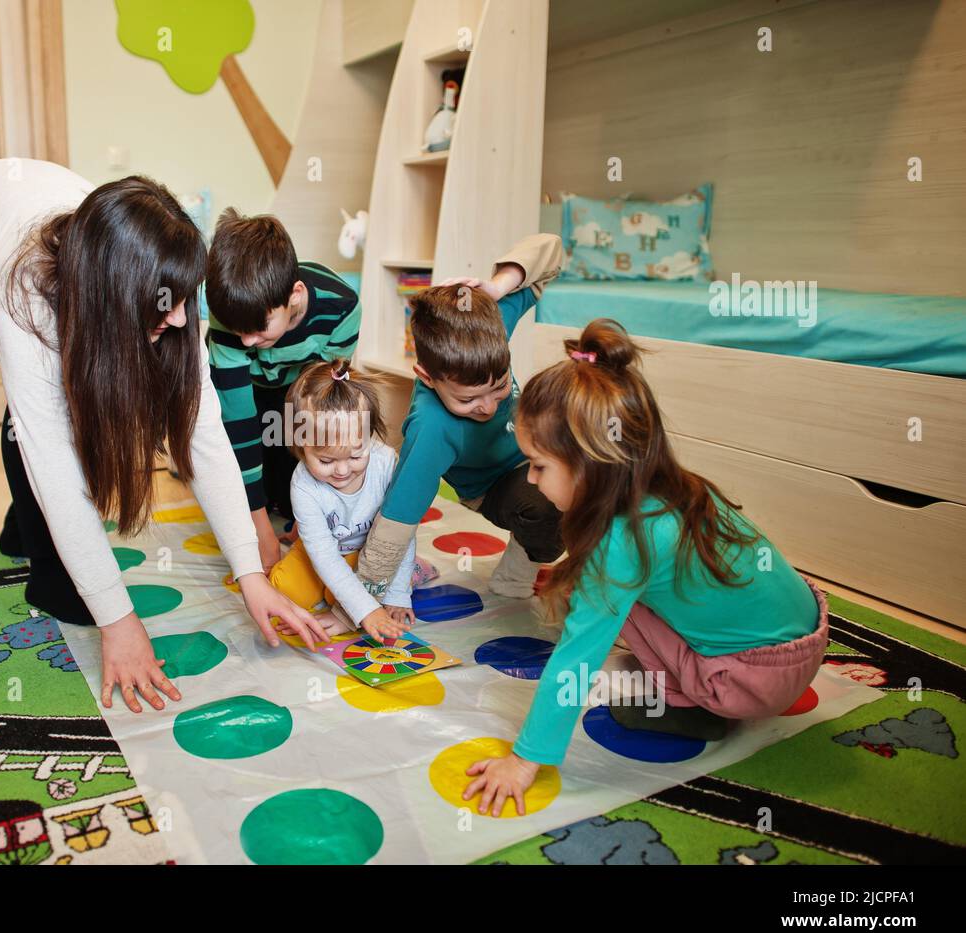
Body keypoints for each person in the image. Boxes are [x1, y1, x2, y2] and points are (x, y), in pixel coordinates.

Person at [0, 158, 325, 714]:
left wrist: (248, 572)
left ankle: (19, 528)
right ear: (112, 292)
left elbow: (205, 433)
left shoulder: (166, 293)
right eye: (161, 306)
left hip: (42, 225)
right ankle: (45, 563)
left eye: (183, 300)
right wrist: (118, 623)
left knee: (52, 395)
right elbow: (51, 456)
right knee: (40, 409)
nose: (176, 320)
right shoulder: (21, 289)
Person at [464, 318, 828, 816]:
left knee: (601, 619)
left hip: (756, 681)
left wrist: (526, 759)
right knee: (602, 594)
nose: (530, 478)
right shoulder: (673, 487)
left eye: (539, 465)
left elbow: (576, 658)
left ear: (592, 464)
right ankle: (700, 676)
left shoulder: (622, 542)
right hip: (805, 643)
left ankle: (696, 708)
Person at [354, 235, 566, 602]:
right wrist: (363, 601)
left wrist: (497, 287)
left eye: (498, 388)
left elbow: (551, 250)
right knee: (546, 512)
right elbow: (398, 516)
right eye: (468, 399)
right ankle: (519, 571)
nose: (486, 406)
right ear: (426, 377)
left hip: (535, 453)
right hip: (492, 487)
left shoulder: (490, 329)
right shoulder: (431, 427)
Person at [204, 209, 362, 573]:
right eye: (237, 330)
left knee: (294, 490)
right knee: (239, 474)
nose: (247, 341)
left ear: (294, 295)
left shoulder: (341, 307)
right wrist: (258, 530)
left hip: (297, 389)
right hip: (245, 389)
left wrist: (318, 510)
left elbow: (322, 401)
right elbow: (237, 421)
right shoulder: (232, 312)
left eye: (259, 328)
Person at [268, 359, 434, 642]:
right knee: (282, 592)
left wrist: (395, 594)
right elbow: (323, 556)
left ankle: (410, 571)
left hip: (370, 552)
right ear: (300, 447)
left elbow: (400, 533)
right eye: (326, 460)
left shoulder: (385, 463)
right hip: (321, 552)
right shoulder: (303, 485)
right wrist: (366, 609)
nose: (343, 470)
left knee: (346, 597)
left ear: (370, 436)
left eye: (356, 456)